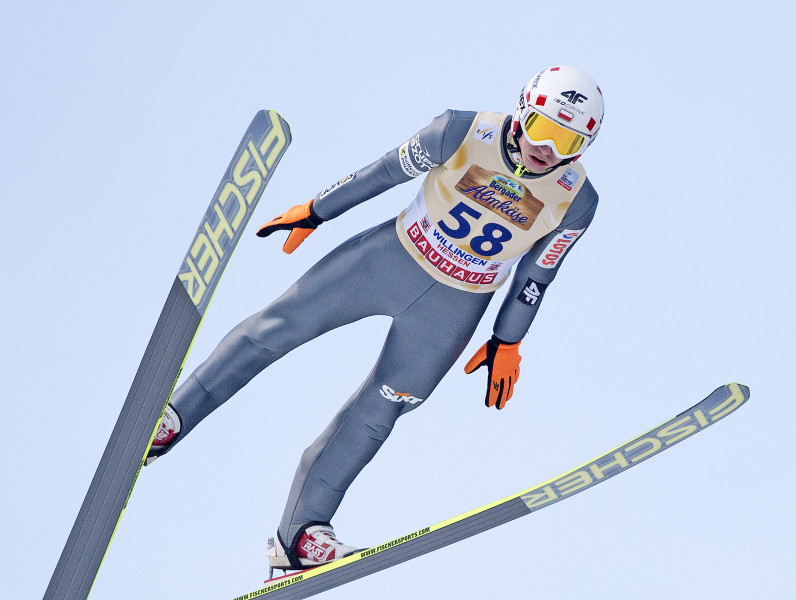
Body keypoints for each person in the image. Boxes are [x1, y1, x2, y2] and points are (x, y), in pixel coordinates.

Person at [147, 65, 604, 571]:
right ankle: (171, 418)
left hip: (451, 310)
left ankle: (299, 535)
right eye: (543, 128)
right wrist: (317, 210)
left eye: (567, 140)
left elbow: (538, 275)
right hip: (387, 261)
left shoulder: (577, 199)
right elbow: (386, 170)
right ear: (522, 111)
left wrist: (507, 341)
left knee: (379, 412)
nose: (549, 148)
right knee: (279, 327)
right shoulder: (463, 129)